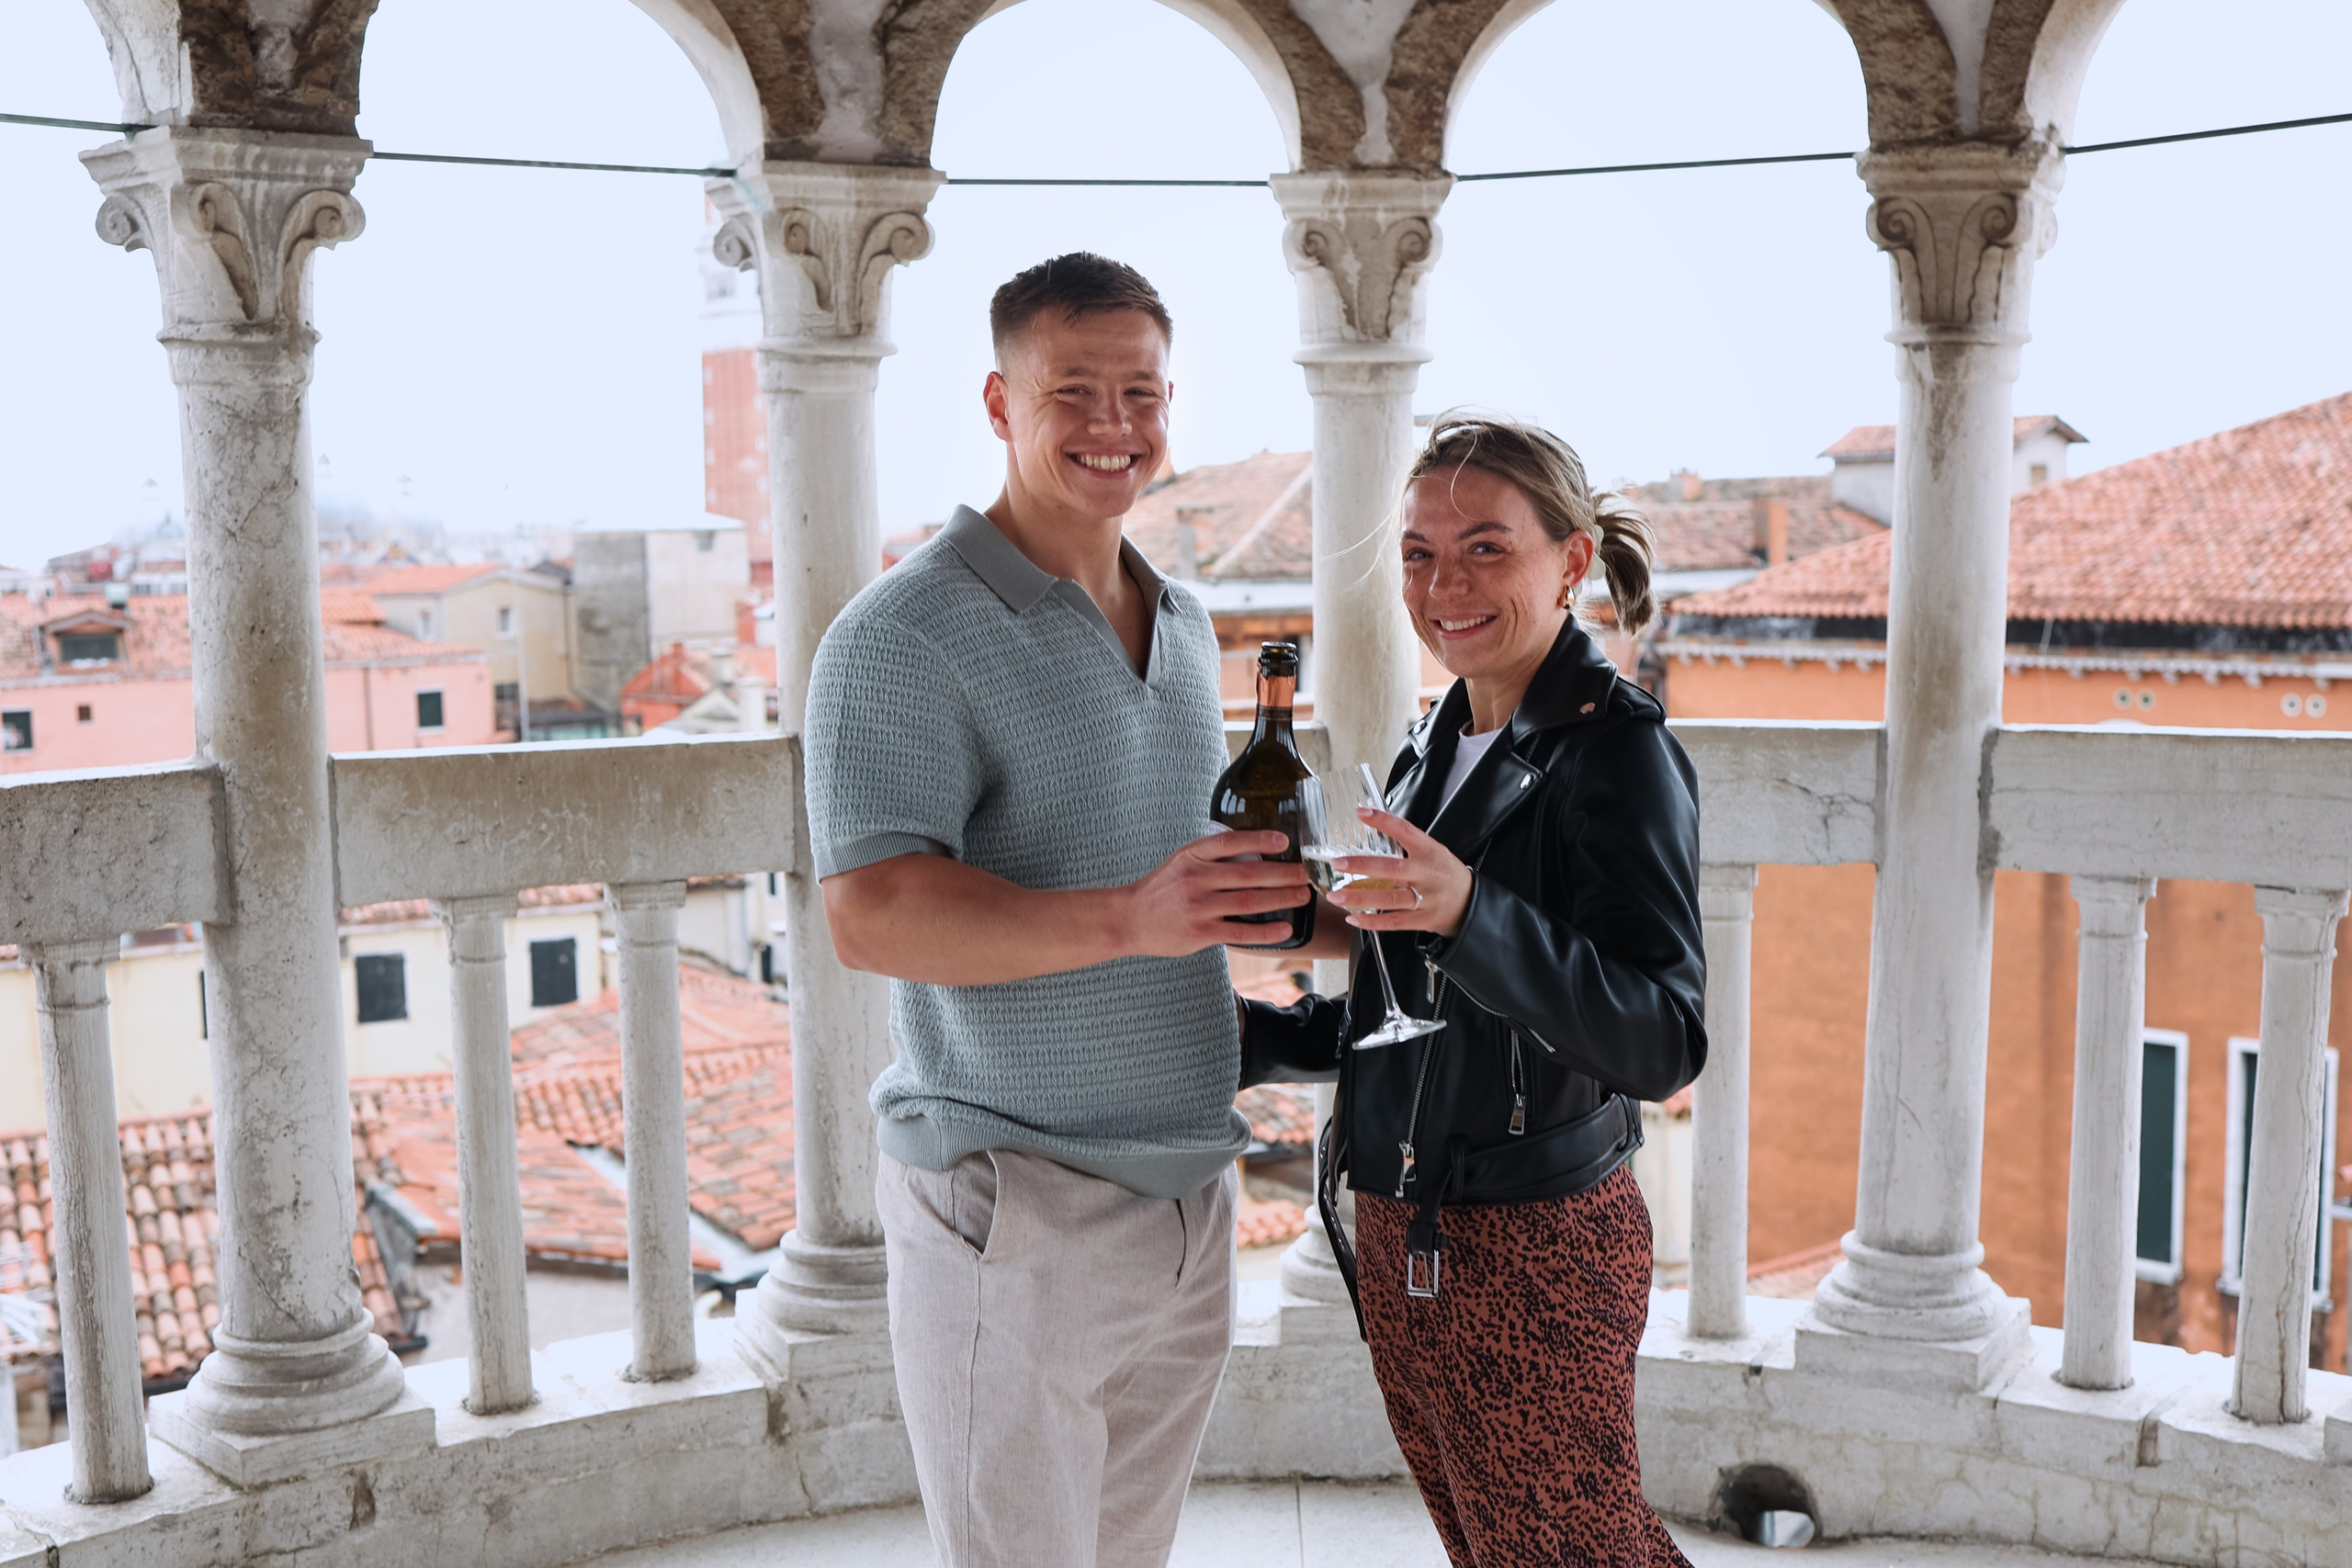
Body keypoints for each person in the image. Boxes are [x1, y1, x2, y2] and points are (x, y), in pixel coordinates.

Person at [802, 254, 1310, 1568]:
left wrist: (1301, 910)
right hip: (1013, 1204)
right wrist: (1131, 918)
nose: (1112, 425)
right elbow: (873, 913)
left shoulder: (1187, 624)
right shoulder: (899, 635)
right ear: (996, 400)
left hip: (1190, 1198)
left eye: (1138, 390)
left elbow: (1165, 872)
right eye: (1070, 390)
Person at [1250, 412, 1707, 1565]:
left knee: (1578, 1550)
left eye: (1485, 549)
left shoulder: (1616, 752)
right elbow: (1421, 999)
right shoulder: (1433, 738)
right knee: (1490, 1543)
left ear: (1569, 561)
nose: (1443, 584)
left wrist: (1469, 912)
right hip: (1409, 1218)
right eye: (1418, 553)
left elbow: (1662, 1036)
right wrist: (1264, 1036)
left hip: (1537, 1238)